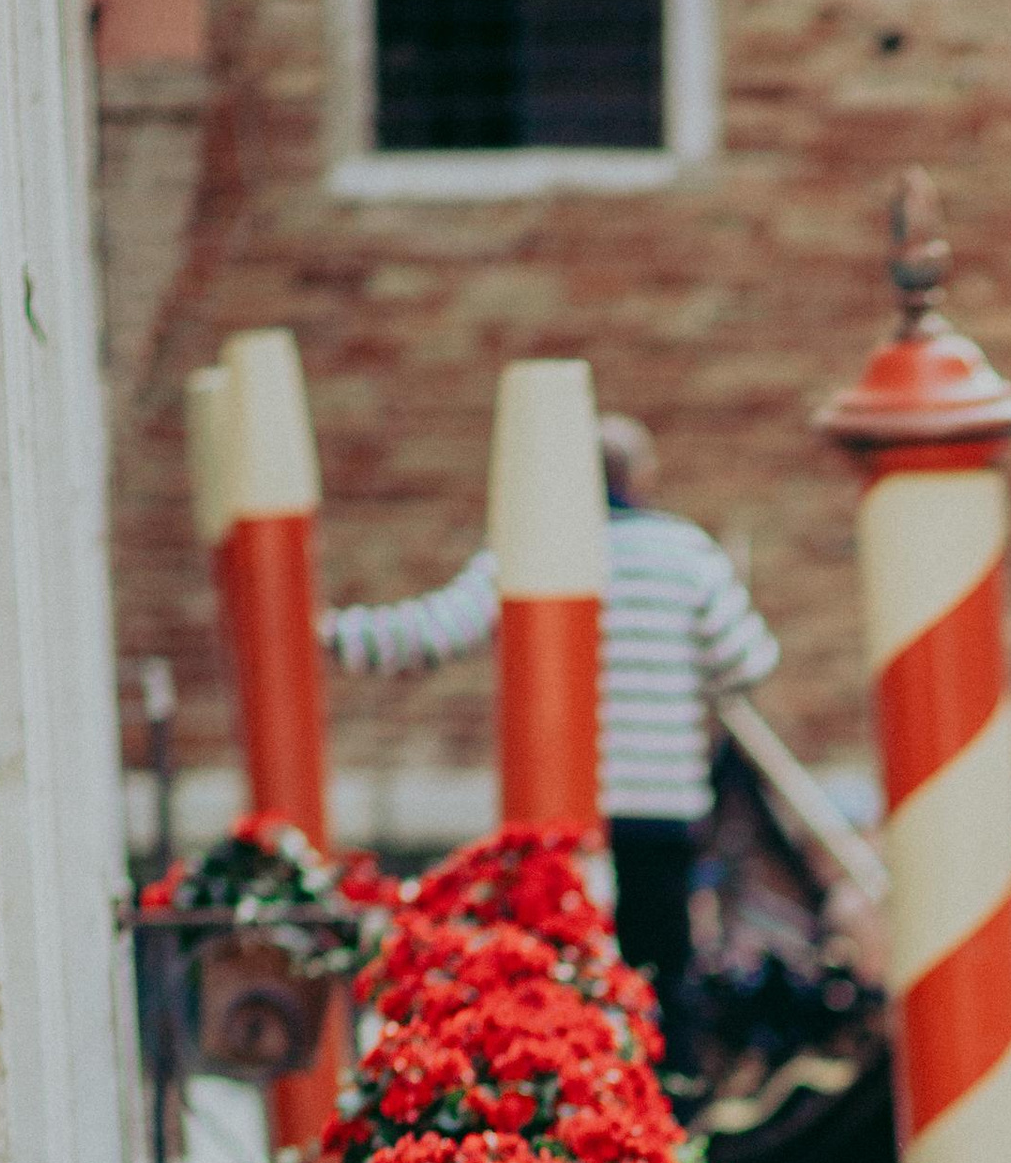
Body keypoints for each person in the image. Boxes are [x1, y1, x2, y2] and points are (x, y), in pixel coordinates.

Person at [325, 414, 776, 1070]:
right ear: (643, 478)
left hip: (563, 811)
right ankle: (671, 1111)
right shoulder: (686, 554)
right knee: (659, 974)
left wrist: (332, 633)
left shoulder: (528, 546)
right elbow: (748, 661)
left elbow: (436, 630)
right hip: (660, 801)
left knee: (568, 974)